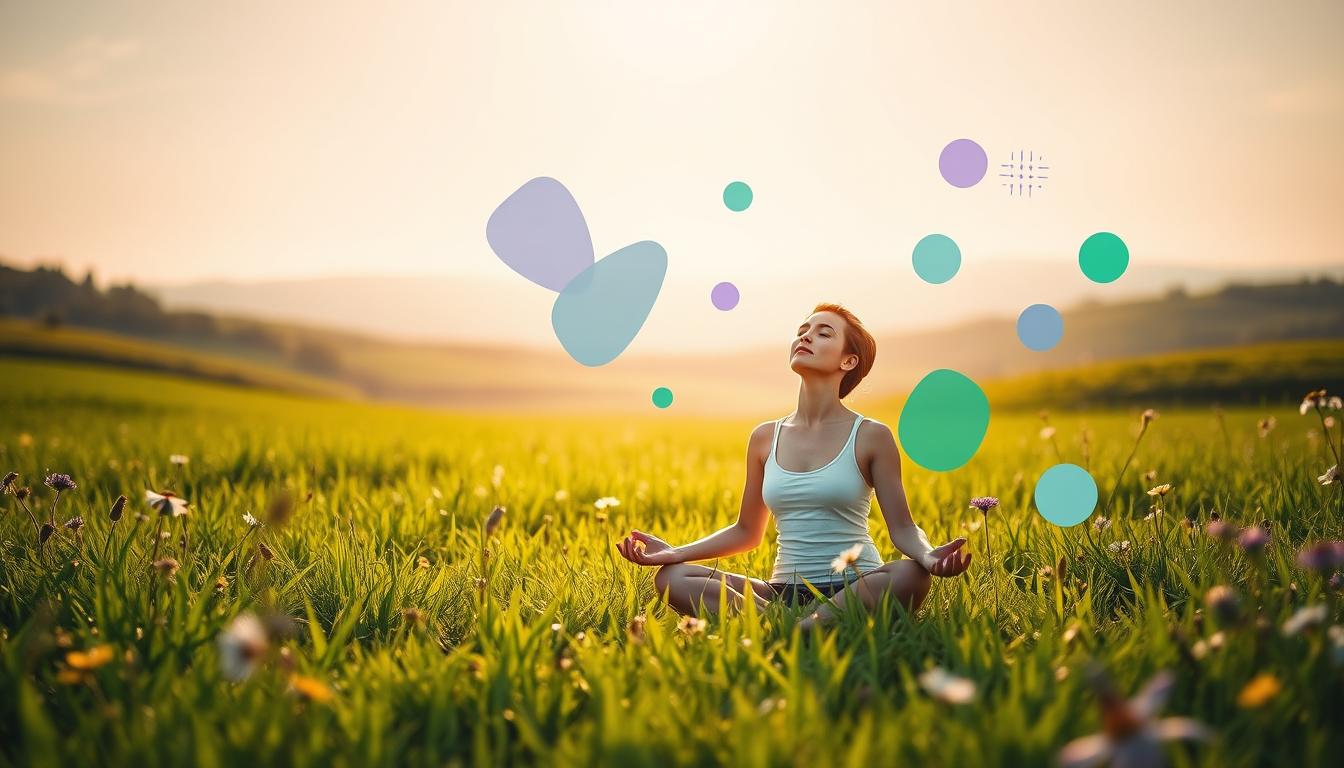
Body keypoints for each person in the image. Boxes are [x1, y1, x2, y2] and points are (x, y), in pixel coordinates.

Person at [614, 302, 972, 632]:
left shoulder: (871, 435)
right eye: (803, 329)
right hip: (781, 591)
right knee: (671, 579)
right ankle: (798, 624)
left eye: (823, 333)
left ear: (848, 362)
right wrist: (675, 552)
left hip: (857, 584)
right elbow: (746, 532)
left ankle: (791, 627)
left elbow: (904, 528)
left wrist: (927, 556)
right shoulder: (764, 437)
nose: (806, 336)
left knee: (911, 574)